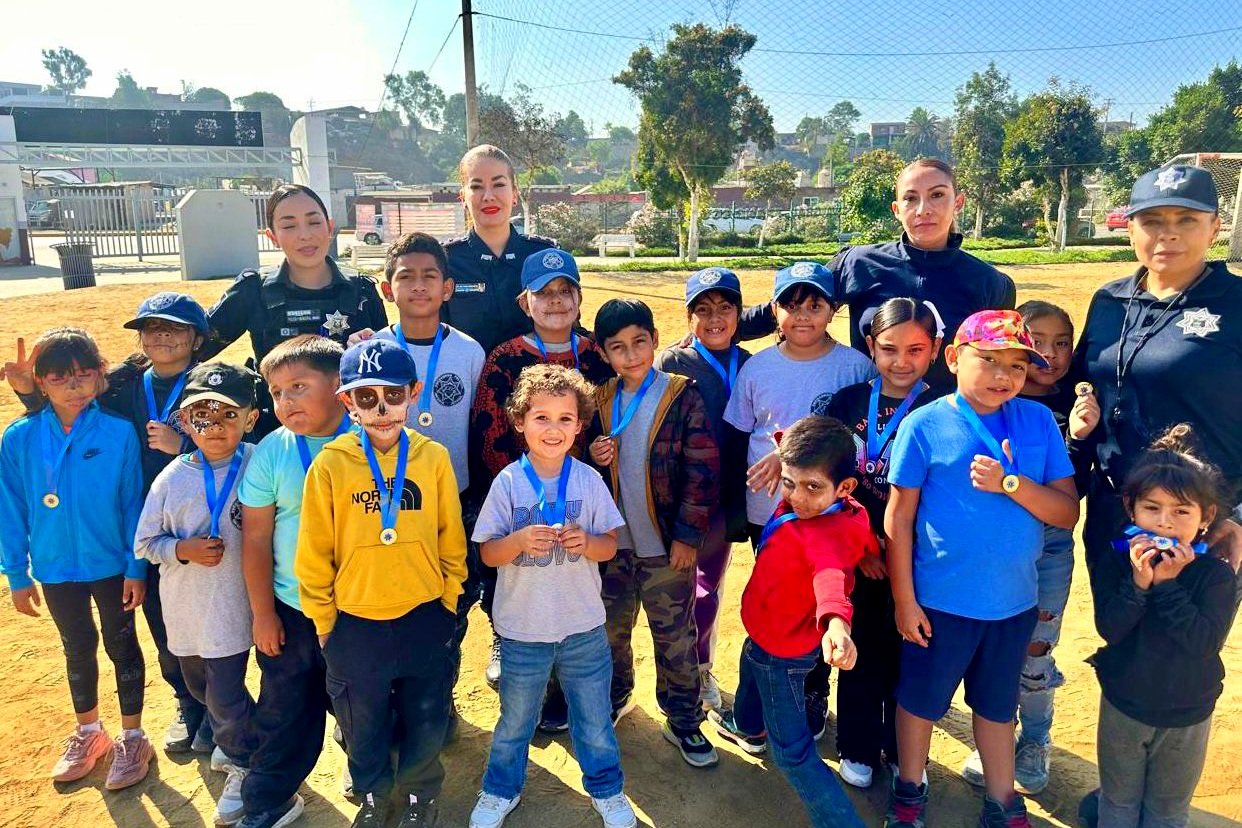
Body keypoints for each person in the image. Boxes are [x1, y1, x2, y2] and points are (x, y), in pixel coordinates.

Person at [884, 310, 1080, 828]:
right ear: (953, 358)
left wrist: (1012, 483)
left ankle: (1001, 798)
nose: (1002, 376)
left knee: (997, 707)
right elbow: (899, 517)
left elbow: (1066, 511)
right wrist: (905, 600)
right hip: (939, 603)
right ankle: (909, 787)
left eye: (1017, 366)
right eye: (988, 360)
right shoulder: (924, 424)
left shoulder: (1037, 422)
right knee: (921, 703)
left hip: (1014, 603)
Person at [1, 292, 215, 754]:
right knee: (160, 625)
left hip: (197, 525)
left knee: (206, 620)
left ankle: (214, 710)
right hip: (135, 540)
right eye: (151, 329)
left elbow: (242, 442)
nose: (161, 337)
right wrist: (29, 392)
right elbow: (68, 399)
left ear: (197, 337)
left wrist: (187, 445)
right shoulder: (122, 382)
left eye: (175, 328)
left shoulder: (213, 385)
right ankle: (186, 703)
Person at [296, 338, 467, 828]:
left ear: (413, 393)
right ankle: (372, 794)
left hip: (423, 615)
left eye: (393, 395)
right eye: (366, 398)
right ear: (347, 402)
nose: (383, 409)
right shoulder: (330, 464)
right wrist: (326, 621)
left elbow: (450, 538)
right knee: (362, 721)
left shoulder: (432, 458)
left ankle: (419, 797)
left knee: (426, 715)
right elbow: (314, 552)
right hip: (354, 622)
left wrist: (448, 603)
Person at [468, 363, 636, 828]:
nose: (553, 429)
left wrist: (589, 543)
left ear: (579, 426)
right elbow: (488, 553)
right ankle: (500, 790)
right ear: (519, 422)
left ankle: (607, 789)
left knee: (595, 721)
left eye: (565, 419)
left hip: (583, 628)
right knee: (515, 723)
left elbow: (610, 543)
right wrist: (518, 542)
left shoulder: (587, 480)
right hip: (523, 632)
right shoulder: (507, 483)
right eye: (541, 418)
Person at [724, 261, 875, 739]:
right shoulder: (757, 366)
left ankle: (813, 692)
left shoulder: (855, 365)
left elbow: (860, 437)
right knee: (776, 601)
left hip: (827, 512)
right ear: (774, 310)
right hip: (770, 511)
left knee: (823, 602)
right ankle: (762, 701)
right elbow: (743, 431)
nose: (803, 315)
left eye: (816, 305)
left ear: (834, 309)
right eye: (791, 304)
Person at [1072, 164, 1242, 588]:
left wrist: (1238, 516)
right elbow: (1080, 388)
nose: (1168, 234)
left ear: (1215, 227)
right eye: (1152, 221)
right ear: (1131, 229)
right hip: (1115, 508)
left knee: (1184, 647)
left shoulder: (1236, 303)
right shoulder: (1109, 301)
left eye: (1187, 220)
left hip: (1203, 520)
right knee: (1117, 633)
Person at [0, 327, 152, 790]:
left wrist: (135, 566)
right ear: (40, 383)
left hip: (111, 566)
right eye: (61, 379)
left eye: (84, 376)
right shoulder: (19, 437)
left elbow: (132, 503)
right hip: (54, 567)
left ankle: (133, 736)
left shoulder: (118, 432)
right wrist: (16, 572)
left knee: (121, 643)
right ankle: (90, 731)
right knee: (76, 646)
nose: (75, 388)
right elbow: (10, 506)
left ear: (100, 377)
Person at [706, 415, 874, 828]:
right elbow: (790, 440)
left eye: (812, 487)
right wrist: (781, 453)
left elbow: (830, 580)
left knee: (794, 754)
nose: (797, 496)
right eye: (789, 482)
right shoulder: (847, 509)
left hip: (783, 650)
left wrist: (836, 625)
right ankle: (747, 727)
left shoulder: (823, 536)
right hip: (767, 632)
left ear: (844, 487)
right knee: (750, 662)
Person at [960, 299, 1095, 795]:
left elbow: (1070, 498)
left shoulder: (1077, 403)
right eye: (1035, 341)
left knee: (1035, 650)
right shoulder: (985, 400)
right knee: (991, 648)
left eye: (1062, 342)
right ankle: (995, 732)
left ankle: (1034, 739)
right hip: (991, 545)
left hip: (1050, 544)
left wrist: (1079, 437)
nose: (1050, 353)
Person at [470, 248, 612, 711]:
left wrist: (591, 452)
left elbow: (607, 421)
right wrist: (520, 484)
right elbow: (488, 431)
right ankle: (503, 639)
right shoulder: (505, 357)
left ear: (579, 297)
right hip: (518, 495)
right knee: (516, 579)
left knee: (572, 580)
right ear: (524, 303)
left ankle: (567, 681)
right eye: (543, 293)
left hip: (579, 493)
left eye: (565, 291)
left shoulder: (594, 355)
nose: (555, 300)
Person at [735, 159, 1015, 392]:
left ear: (959, 202)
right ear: (896, 209)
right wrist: (723, 332)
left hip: (947, 424)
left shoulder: (990, 283)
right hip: (865, 425)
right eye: (910, 198)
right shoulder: (859, 263)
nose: (923, 209)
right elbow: (794, 303)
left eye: (937, 195)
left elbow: (1005, 359)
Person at [587, 298, 721, 768]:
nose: (631, 355)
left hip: (667, 549)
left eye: (639, 342)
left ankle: (684, 720)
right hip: (611, 550)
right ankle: (616, 697)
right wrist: (593, 455)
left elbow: (702, 469)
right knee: (609, 633)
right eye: (618, 347)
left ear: (655, 340)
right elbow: (580, 472)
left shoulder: (681, 394)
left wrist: (687, 536)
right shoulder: (600, 400)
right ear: (604, 354)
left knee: (675, 639)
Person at [1087, 424, 1236, 828]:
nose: (1164, 524)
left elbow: (1203, 642)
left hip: (1188, 712)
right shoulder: (1117, 561)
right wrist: (1138, 585)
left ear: (1205, 518)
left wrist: (1168, 586)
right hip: (1124, 704)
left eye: (1181, 511)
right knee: (1117, 804)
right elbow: (1111, 630)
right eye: (1152, 508)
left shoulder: (1216, 576)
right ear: (1130, 508)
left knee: (1166, 812)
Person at [134, 362, 260, 825]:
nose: (216, 426)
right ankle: (242, 736)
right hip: (185, 611)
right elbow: (145, 544)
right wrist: (182, 549)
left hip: (235, 608)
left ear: (251, 418)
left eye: (230, 415)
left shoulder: (259, 463)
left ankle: (246, 763)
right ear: (184, 422)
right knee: (199, 687)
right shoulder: (171, 478)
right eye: (203, 416)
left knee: (225, 694)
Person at [824, 297, 940, 789]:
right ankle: (857, 744)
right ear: (870, 345)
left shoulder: (946, 405)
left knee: (912, 651)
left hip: (920, 558)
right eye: (889, 348)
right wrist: (865, 543)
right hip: (857, 554)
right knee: (861, 647)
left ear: (936, 349)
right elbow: (825, 477)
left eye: (915, 349)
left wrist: (899, 551)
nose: (901, 361)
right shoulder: (847, 401)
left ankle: (902, 747)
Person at [236, 335, 351, 828]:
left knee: (363, 703)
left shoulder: (371, 441)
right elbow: (257, 540)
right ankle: (270, 798)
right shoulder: (270, 453)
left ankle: (372, 781)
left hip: (360, 609)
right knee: (283, 708)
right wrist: (263, 614)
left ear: (340, 386)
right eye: (277, 392)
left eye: (299, 386)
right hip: (292, 607)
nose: (286, 401)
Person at [654, 267, 752, 711]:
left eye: (725, 308)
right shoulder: (672, 363)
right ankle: (673, 672)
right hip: (685, 495)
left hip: (733, 496)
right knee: (675, 587)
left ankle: (700, 666)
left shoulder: (751, 362)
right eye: (703, 310)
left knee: (708, 585)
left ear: (739, 313)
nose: (715, 318)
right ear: (688, 315)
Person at [201, 184, 388, 366]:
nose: (305, 235)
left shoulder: (362, 291)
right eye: (289, 226)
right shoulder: (252, 290)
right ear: (272, 237)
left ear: (330, 227)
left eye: (314, 222)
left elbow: (387, 363)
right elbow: (192, 350)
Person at [442, 144, 559, 354]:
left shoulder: (544, 255)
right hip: (470, 383)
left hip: (539, 383)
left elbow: (568, 326)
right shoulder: (445, 261)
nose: (488, 196)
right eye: (476, 186)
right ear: (463, 198)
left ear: (514, 193)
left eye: (498, 184)